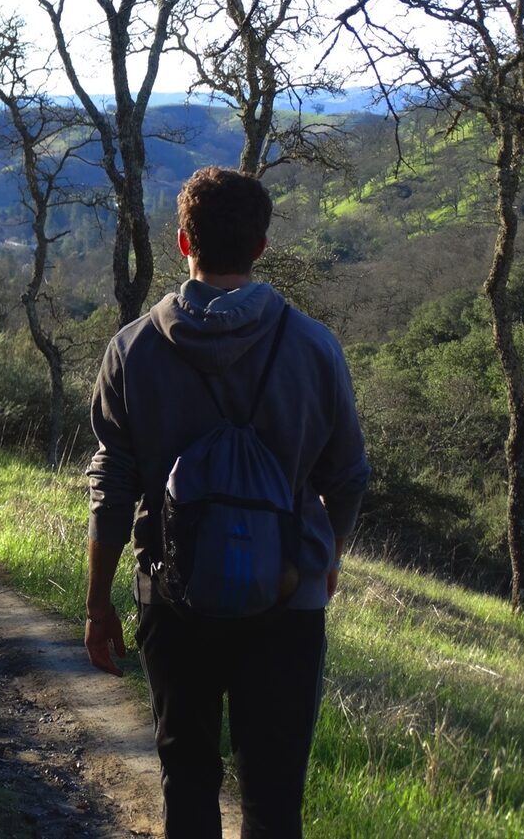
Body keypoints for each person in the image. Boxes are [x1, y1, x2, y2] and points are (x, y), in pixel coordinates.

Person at [83, 166, 369, 839]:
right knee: (274, 794)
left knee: (188, 780)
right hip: (289, 598)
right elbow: (350, 475)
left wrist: (99, 603)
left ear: (184, 241)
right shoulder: (314, 346)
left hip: (173, 596)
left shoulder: (132, 350)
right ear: (261, 247)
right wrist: (327, 555)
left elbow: (112, 487)